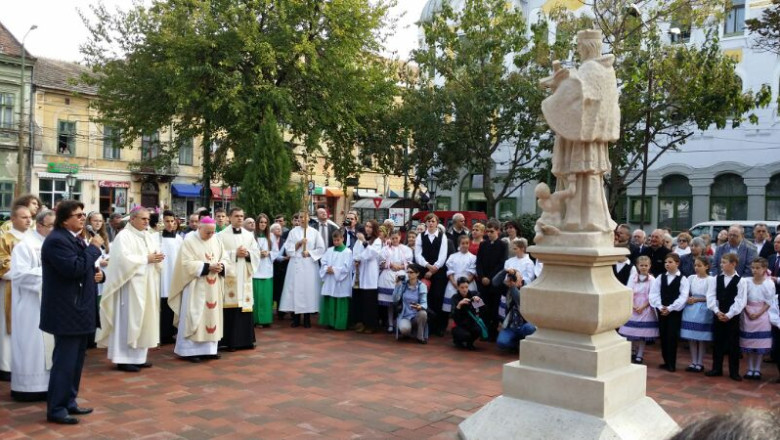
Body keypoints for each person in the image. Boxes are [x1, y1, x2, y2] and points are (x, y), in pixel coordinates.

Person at [542, 29, 618, 233]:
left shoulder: (590, 69)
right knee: (587, 178)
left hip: (581, 138)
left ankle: (578, 220)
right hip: (591, 138)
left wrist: (559, 84)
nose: (578, 50)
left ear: (585, 47)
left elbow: (577, 98)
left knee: (581, 177)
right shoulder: (607, 71)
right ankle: (585, 219)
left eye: (579, 47)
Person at [40, 200, 105, 424]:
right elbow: (73, 269)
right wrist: (94, 248)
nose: (82, 218)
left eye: (83, 214)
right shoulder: (57, 241)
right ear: (64, 219)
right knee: (64, 362)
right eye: (78, 215)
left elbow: (86, 268)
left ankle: (69, 401)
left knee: (76, 362)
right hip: (66, 310)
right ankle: (56, 409)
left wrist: (100, 275)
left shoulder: (72, 238)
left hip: (78, 309)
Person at [98, 207, 162, 372]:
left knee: (144, 319)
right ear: (132, 219)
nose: (147, 222)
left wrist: (157, 258)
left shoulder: (148, 235)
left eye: (148, 219)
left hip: (147, 283)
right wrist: (145, 259)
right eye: (143, 219)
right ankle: (123, 358)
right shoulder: (124, 236)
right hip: (129, 285)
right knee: (128, 319)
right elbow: (121, 260)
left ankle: (139, 357)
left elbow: (152, 256)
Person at [9, 210, 55, 401]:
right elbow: (19, 275)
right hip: (30, 306)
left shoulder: (54, 245)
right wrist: (51, 274)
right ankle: (27, 387)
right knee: (32, 345)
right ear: (40, 225)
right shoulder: (25, 245)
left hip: (51, 304)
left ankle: (48, 385)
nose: (54, 230)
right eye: (50, 226)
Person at [168, 217, 228, 363]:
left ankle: (209, 350)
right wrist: (207, 267)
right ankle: (189, 351)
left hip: (213, 287)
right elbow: (185, 264)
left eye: (213, 232)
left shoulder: (216, 240)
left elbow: (225, 258)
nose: (210, 235)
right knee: (194, 316)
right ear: (199, 228)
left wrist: (221, 266)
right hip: (195, 286)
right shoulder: (189, 242)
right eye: (208, 232)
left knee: (211, 317)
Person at [217, 208, 259, 350]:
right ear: (229, 217)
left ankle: (245, 341)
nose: (240, 219)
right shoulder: (221, 235)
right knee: (230, 308)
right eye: (236, 216)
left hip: (244, 276)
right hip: (231, 277)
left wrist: (248, 254)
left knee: (244, 308)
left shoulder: (249, 235)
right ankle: (230, 342)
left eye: (242, 216)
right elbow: (218, 255)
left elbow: (256, 253)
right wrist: (234, 253)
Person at [0, 205, 32, 381]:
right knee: (8, 327)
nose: (28, 220)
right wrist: (26, 273)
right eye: (23, 217)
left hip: (33, 289)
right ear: (12, 219)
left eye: (30, 217)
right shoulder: (4, 238)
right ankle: (6, 366)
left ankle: (26, 363)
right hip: (11, 288)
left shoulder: (35, 239)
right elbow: (3, 264)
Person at [280, 211, 326, 328]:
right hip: (295, 264)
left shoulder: (314, 233)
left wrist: (310, 253)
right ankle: (296, 318)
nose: (302, 219)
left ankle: (307, 318)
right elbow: (288, 249)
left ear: (308, 218)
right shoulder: (293, 232)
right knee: (295, 290)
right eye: (300, 217)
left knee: (308, 290)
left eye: (304, 217)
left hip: (309, 265)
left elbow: (321, 248)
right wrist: (299, 244)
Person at [706, 253, 747, 381]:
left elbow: (741, 300)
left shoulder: (741, 281)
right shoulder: (716, 279)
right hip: (718, 315)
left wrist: (729, 314)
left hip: (732, 316)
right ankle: (716, 368)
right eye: (721, 262)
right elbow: (711, 296)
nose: (721, 264)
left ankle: (734, 372)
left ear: (733, 264)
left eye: (725, 262)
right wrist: (717, 311)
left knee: (733, 344)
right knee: (718, 342)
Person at [648, 253, 689, 372]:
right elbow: (654, 293)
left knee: (672, 337)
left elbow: (683, 296)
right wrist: (660, 307)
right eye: (666, 262)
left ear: (677, 263)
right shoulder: (661, 277)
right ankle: (666, 361)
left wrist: (670, 308)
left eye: (670, 262)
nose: (667, 264)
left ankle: (672, 363)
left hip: (674, 312)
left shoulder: (683, 279)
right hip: (662, 311)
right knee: (664, 336)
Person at [739, 257, 774, 380]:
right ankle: (750, 369)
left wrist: (759, 313)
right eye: (753, 268)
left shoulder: (769, 283)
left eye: (758, 268)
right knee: (749, 344)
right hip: (748, 312)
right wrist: (748, 311)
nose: (754, 270)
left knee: (759, 345)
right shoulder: (746, 281)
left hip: (762, 315)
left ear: (764, 269)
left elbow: (769, 301)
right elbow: (742, 298)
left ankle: (757, 369)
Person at [415, 214, 450, 337]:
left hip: (438, 271)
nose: (430, 223)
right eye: (428, 221)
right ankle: (425, 324)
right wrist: (427, 266)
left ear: (437, 223)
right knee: (425, 297)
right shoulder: (420, 236)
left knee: (438, 297)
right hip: (424, 270)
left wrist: (434, 268)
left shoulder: (442, 237)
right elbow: (418, 255)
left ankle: (438, 327)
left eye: (433, 221)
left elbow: (443, 255)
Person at [618, 256, 657, 364]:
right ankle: (631, 351)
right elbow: (629, 291)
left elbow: (652, 295)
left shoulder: (652, 279)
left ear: (649, 266)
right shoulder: (633, 277)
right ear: (637, 266)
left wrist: (643, 307)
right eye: (641, 265)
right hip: (633, 306)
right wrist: (633, 306)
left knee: (641, 334)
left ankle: (640, 354)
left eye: (646, 265)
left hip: (645, 308)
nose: (644, 267)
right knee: (630, 331)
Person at [680, 256, 714, 373]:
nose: (696, 268)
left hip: (703, 309)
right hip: (690, 309)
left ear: (706, 266)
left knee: (701, 338)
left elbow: (711, 297)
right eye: (695, 265)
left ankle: (700, 362)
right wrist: (688, 298)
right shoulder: (691, 278)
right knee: (692, 337)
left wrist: (697, 300)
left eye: (699, 265)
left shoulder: (711, 280)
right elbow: (685, 291)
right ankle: (693, 361)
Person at [476, 219, 508, 341]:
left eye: (492, 231)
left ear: (498, 231)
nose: (489, 234)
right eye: (487, 231)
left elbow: (502, 264)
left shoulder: (503, 245)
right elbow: (478, 262)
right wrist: (482, 276)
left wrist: (490, 278)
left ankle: (493, 333)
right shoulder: (483, 244)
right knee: (481, 307)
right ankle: (482, 331)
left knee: (494, 309)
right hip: (482, 283)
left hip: (494, 283)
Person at [378, 229, 413, 332]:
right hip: (388, 275)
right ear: (390, 238)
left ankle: (399, 323)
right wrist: (391, 264)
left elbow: (410, 263)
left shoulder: (405, 249)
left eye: (396, 238)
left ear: (400, 237)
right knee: (390, 304)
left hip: (401, 274)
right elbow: (381, 263)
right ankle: (390, 323)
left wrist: (401, 266)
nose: (394, 240)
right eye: (392, 238)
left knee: (401, 302)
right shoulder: (385, 249)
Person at [352, 220, 383, 334]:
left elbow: (373, 254)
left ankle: (371, 324)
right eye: (366, 226)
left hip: (370, 272)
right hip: (360, 271)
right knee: (359, 298)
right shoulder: (359, 241)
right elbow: (354, 252)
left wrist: (364, 242)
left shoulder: (377, 241)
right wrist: (355, 259)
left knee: (369, 300)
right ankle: (360, 322)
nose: (367, 228)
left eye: (370, 227)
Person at [319, 230, 353, 330]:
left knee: (340, 300)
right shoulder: (329, 250)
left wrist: (334, 270)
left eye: (338, 240)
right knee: (330, 298)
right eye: (334, 240)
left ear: (342, 238)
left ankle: (340, 323)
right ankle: (330, 322)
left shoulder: (348, 252)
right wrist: (326, 269)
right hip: (330, 279)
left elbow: (347, 268)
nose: (336, 242)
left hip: (341, 281)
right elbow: (323, 261)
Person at [496, 269, 536, 351]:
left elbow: (519, 300)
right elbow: (495, 282)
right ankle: (516, 345)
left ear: (521, 279)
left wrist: (513, 286)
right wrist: (504, 271)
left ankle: (525, 343)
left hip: (524, 324)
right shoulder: (507, 288)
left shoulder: (527, 289)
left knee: (531, 328)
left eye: (515, 278)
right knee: (501, 342)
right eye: (511, 278)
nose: (513, 280)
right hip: (510, 326)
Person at [159, 210, 183, 344]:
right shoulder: (156, 238)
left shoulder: (179, 239)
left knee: (173, 304)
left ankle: (171, 332)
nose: (169, 224)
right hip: (161, 277)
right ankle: (161, 334)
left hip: (174, 276)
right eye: (167, 221)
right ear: (162, 222)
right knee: (161, 306)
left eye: (172, 221)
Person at [443, 235, 477, 324]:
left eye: (467, 243)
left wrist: (464, 285)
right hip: (453, 283)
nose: (465, 245)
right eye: (463, 243)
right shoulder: (452, 256)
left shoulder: (473, 257)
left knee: (473, 306)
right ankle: (446, 325)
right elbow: (450, 271)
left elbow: (472, 273)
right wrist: (455, 284)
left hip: (468, 285)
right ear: (459, 244)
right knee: (449, 308)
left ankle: (472, 324)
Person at [392, 263, 428, 344]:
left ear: (417, 274)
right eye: (407, 272)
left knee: (423, 313)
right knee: (404, 329)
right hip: (405, 315)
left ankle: (420, 337)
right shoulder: (403, 284)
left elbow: (425, 303)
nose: (408, 274)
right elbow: (395, 299)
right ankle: (409, 332)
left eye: (411, 272)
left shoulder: (422, 286)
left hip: (416, 315)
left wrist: (420, 306)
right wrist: (397, 285)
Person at [252, 214, 275, 327]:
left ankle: (266, 320)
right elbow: (249, 251)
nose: (263, 224)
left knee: (266, 297)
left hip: (267, 270)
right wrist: (258, 254)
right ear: (257, 223)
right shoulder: (251, 236)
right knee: (257, 297)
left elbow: (277, 252)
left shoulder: (270, 237)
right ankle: (257, 320)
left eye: (265, 223)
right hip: (256, 271)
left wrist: (269, 253)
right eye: (261, 222)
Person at [450, 277, 484, 350]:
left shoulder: (474, 294)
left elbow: (482, 310)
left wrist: (478, 301)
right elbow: (454, 316)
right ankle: (457, 341)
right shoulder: (455, 297)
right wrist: (459, 305)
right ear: (458, 287)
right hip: (459, 324)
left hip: (471, 322)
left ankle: (470, 343)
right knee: (464, 335)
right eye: (462, 287)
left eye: (466, 287)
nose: (464, 290)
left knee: (478, 330)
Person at [270, 223, 289, 320]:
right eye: (276, 229)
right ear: (272, 231)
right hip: (272, 268)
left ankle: (280, 311)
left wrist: (286, 258)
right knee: (272, 289)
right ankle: (269, 311)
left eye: (280, 228)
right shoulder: (269, 241)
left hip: (282, 268)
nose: (279, 230)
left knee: (281, 289)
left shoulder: (284, 241)